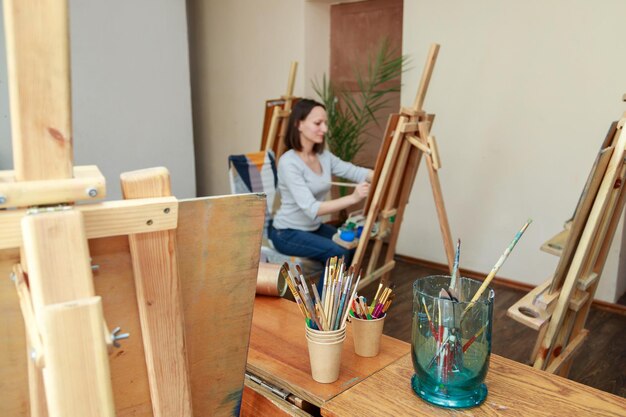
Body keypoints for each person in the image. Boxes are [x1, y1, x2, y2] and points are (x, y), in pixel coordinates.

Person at [268, 98, 373, 281]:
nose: (324, 129)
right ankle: (320, 307)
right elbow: (312, 208)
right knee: (337, 253)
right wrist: (353, 198)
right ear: (298, 124)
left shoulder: (323, 156)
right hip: (286, 232)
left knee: (352, 245)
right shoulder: (289, 162)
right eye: (318, 123)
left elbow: (354, 172)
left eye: (325, 123)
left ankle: (336, 298)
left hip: (313, 228)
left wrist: (386, 173)